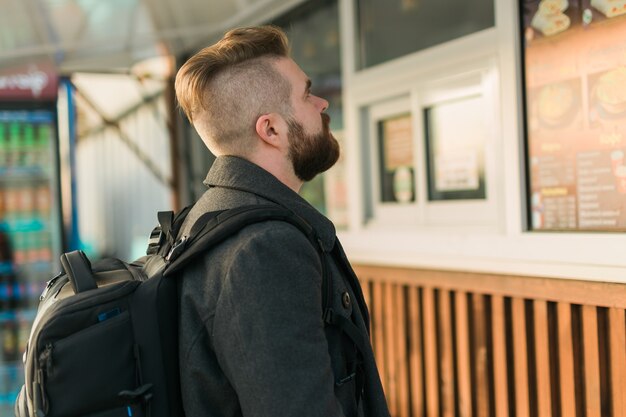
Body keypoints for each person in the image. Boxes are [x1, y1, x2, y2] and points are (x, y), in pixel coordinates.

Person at [174, 25, 390, 417]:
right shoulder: (265, 251)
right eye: (307, 94)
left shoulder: (208, 218)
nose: (322, 104)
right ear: (271, 129)